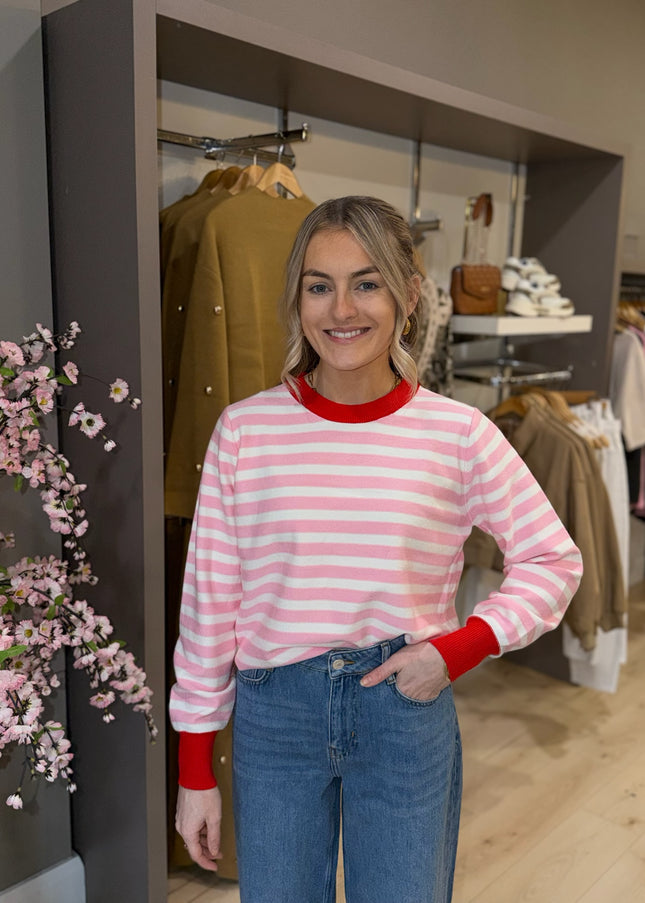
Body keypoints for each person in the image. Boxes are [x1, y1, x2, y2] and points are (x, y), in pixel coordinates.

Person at [169, 196, 583, 903]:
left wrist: (458, 648)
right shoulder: (245, 432)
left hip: (402, 706)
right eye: (318, 284)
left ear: (407, 293)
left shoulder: (458, 435)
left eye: (366, 282)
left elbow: (552, 560)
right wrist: (195, 769)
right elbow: (210, 607)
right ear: (296, 296)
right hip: (277, 719)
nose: (341, 309)